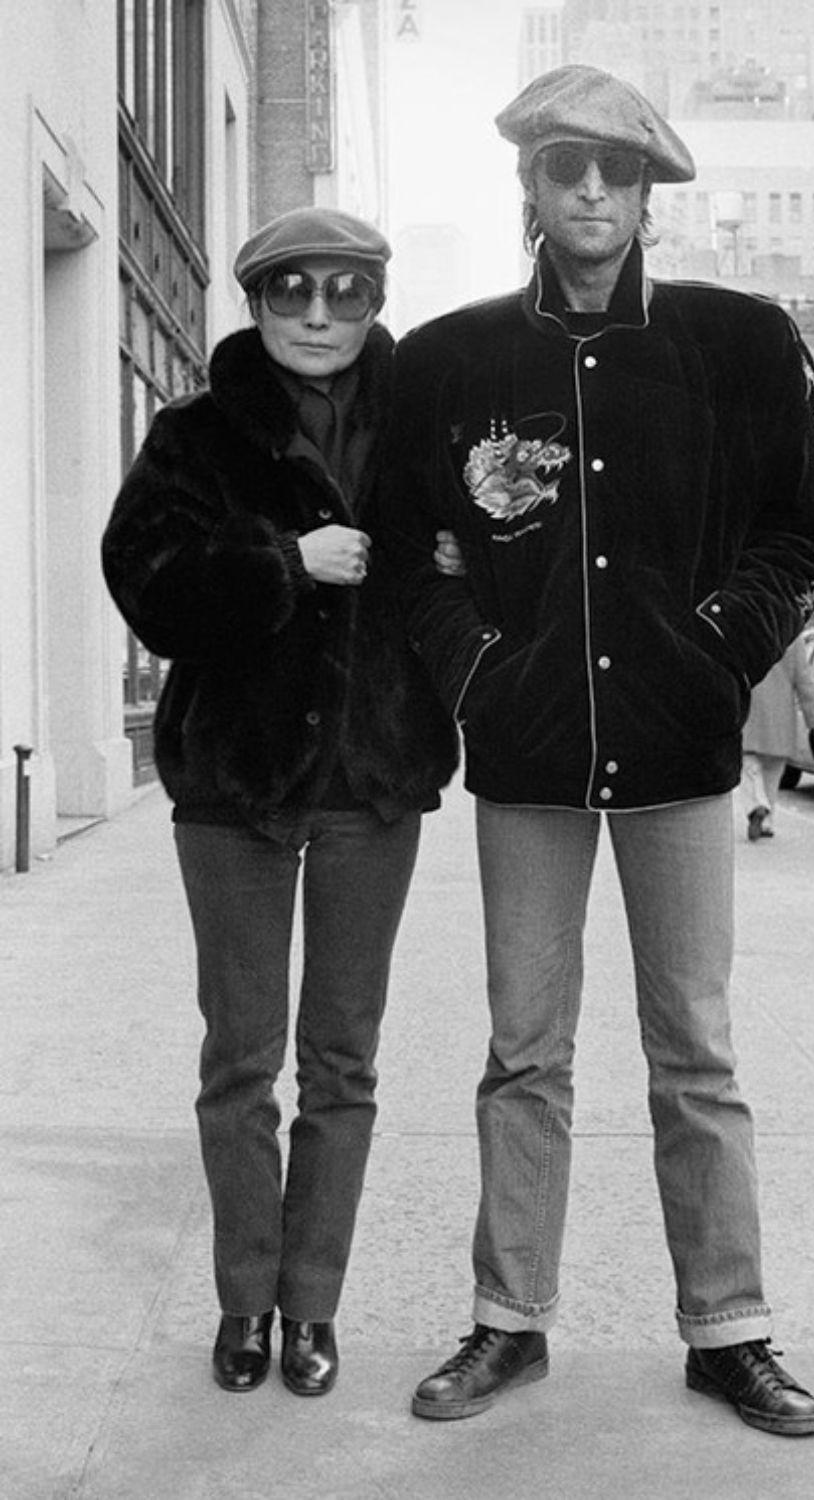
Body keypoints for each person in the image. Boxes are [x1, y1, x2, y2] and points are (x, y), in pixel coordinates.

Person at [380, 65, 814, 1436]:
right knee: (523, 1049)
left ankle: (728, 1332)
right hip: (527, 758)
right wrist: (478, 669)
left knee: (693, 1050)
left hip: (677, 749)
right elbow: (413, 550)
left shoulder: (735, 343)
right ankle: (508, 1322)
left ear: (647, 192)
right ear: (525, 184)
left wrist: (716, 647)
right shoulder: (453, 360)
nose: (588, 190)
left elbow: (803, 525)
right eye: (561, 167)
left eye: (613, 171)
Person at [102, 207, 457, 1397]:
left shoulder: (422, 432)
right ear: (255, 302)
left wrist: (448, 572)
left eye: (345, 292)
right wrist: (279, 563)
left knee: (343, 1062)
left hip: (372, 783)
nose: (318, 315)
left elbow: (486, 564)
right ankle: (244, 1305)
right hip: (237, 790)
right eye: (292, 291)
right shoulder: (195, 435)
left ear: (373, 300)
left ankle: (314, 1309)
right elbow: (144, 582)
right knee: (240, 1063)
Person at [741, 636, 814, 840]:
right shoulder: (791, 638)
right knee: (773, 773)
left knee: (749, 766)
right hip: (781, 718)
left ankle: (757, 804)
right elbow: (804, 683)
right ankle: (767, 822)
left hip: (750, 714)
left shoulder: (746, 633)